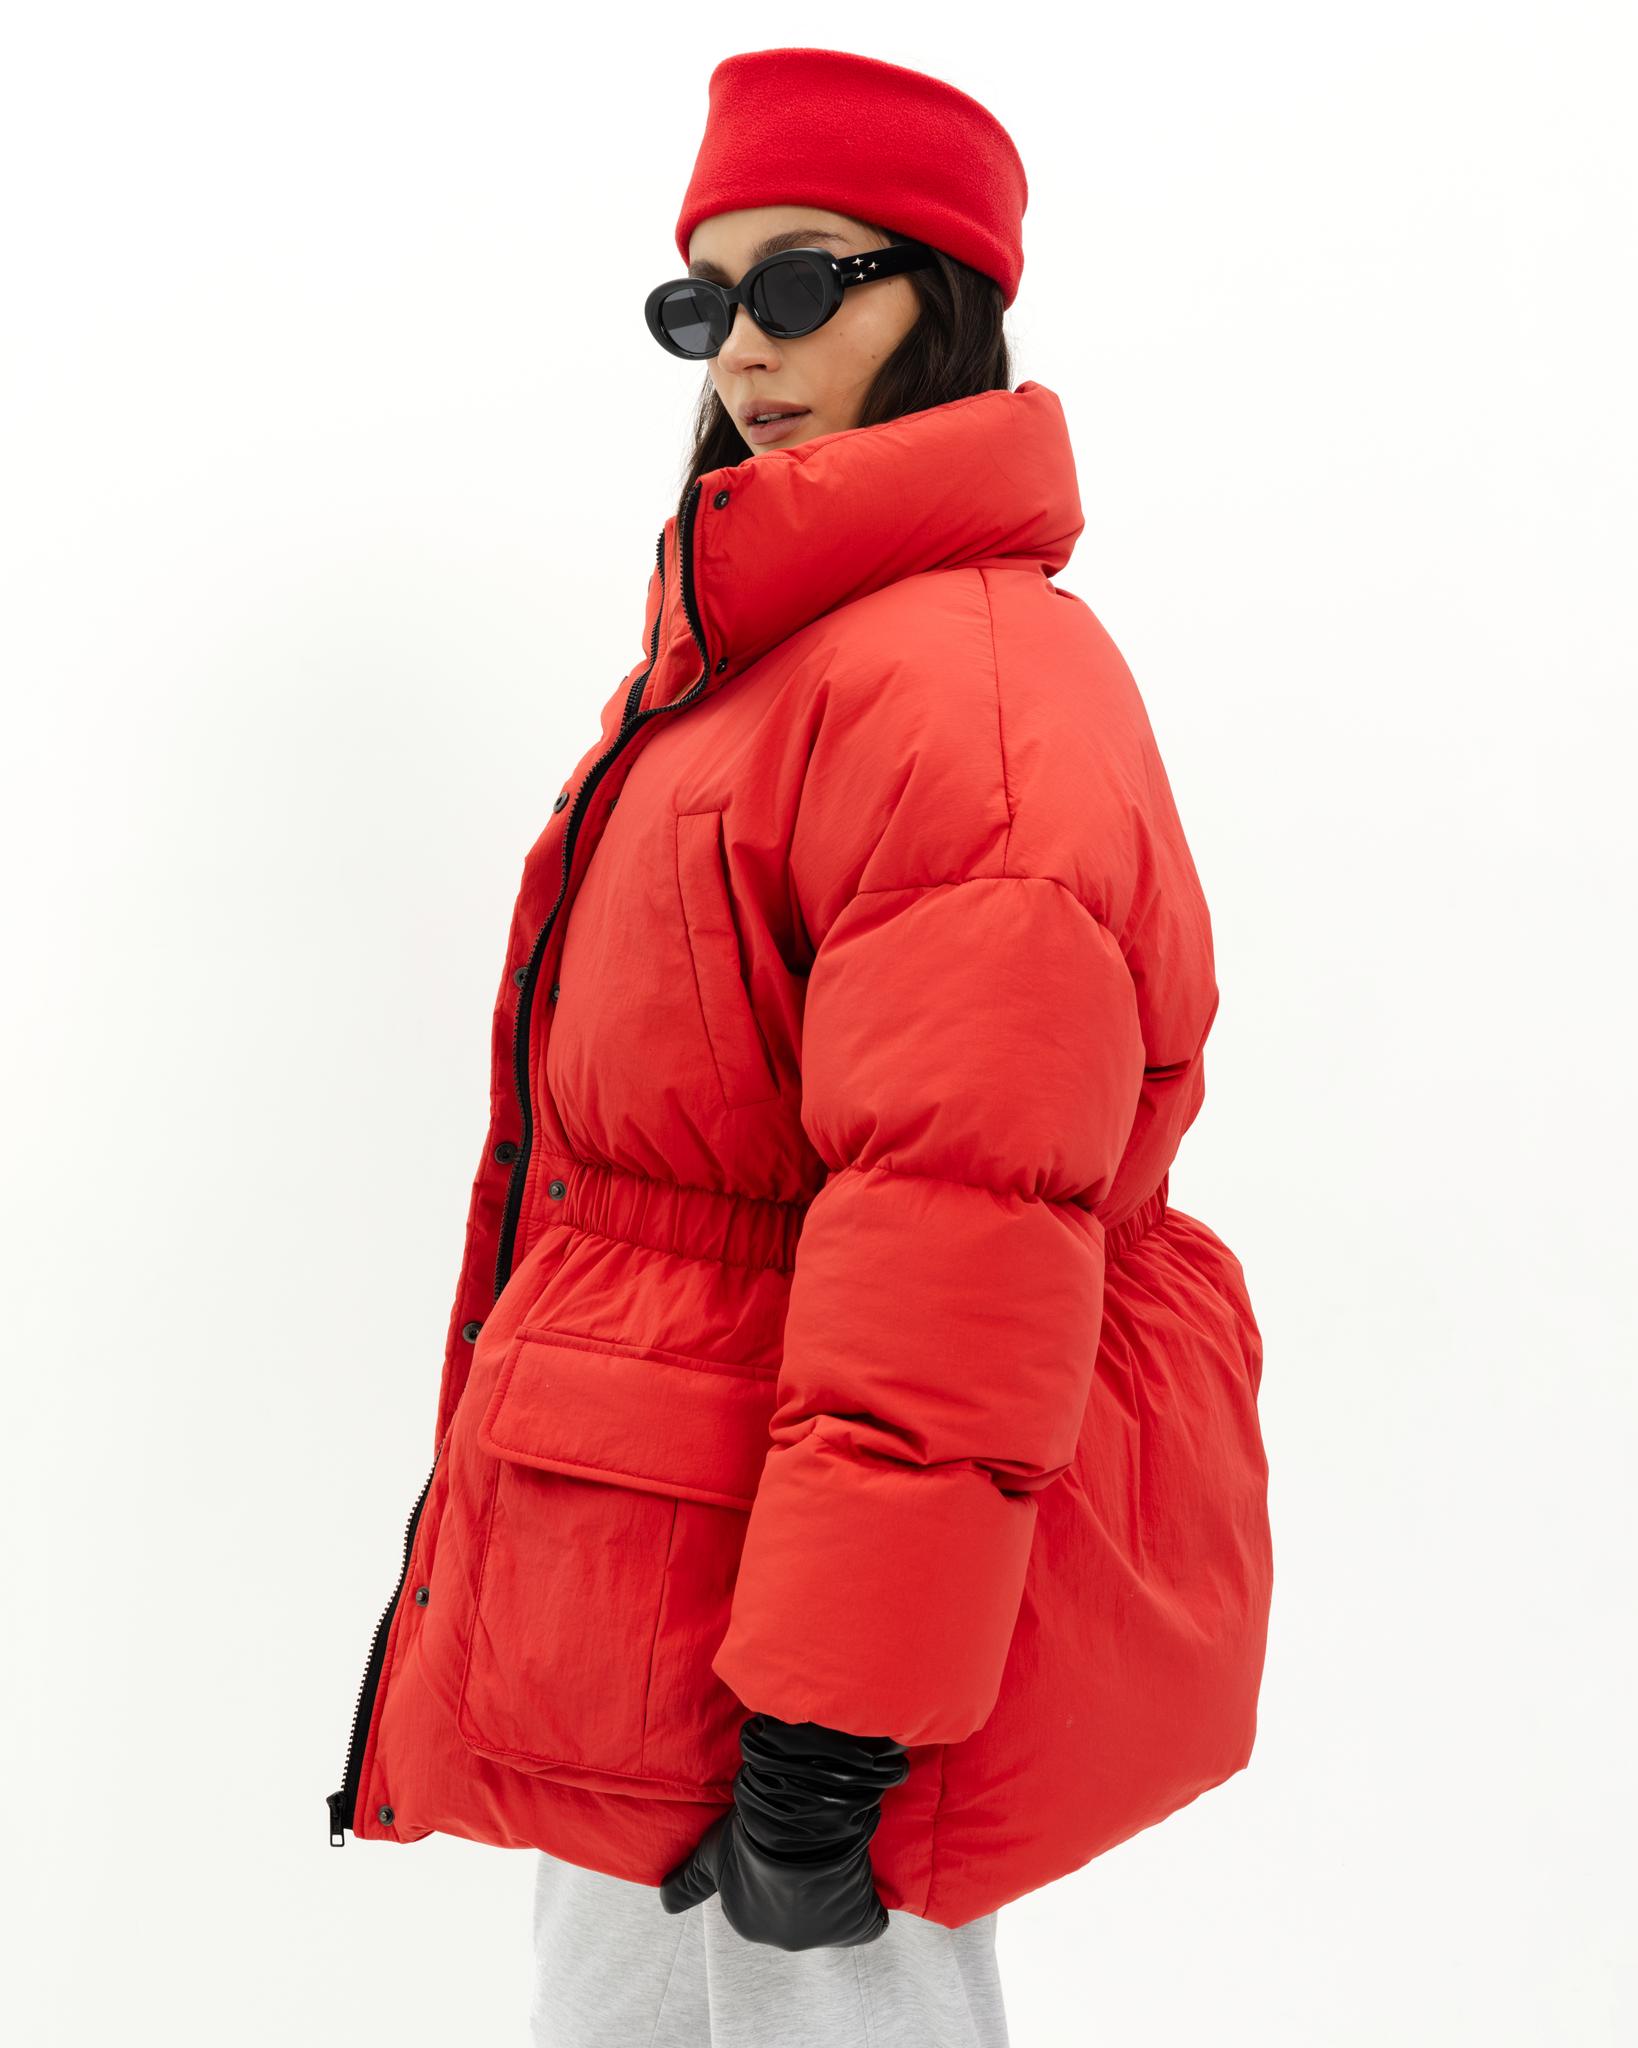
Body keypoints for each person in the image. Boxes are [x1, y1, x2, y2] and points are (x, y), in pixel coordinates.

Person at [324, 45, 1274, 2048]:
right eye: (704, 301)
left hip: (806, 1633)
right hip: (649, 1577)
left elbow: (962, 1228)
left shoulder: (963, 694)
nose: (744, 347)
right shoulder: (758, 666)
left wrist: (839, 1722)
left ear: (944, 296)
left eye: (798, 282)